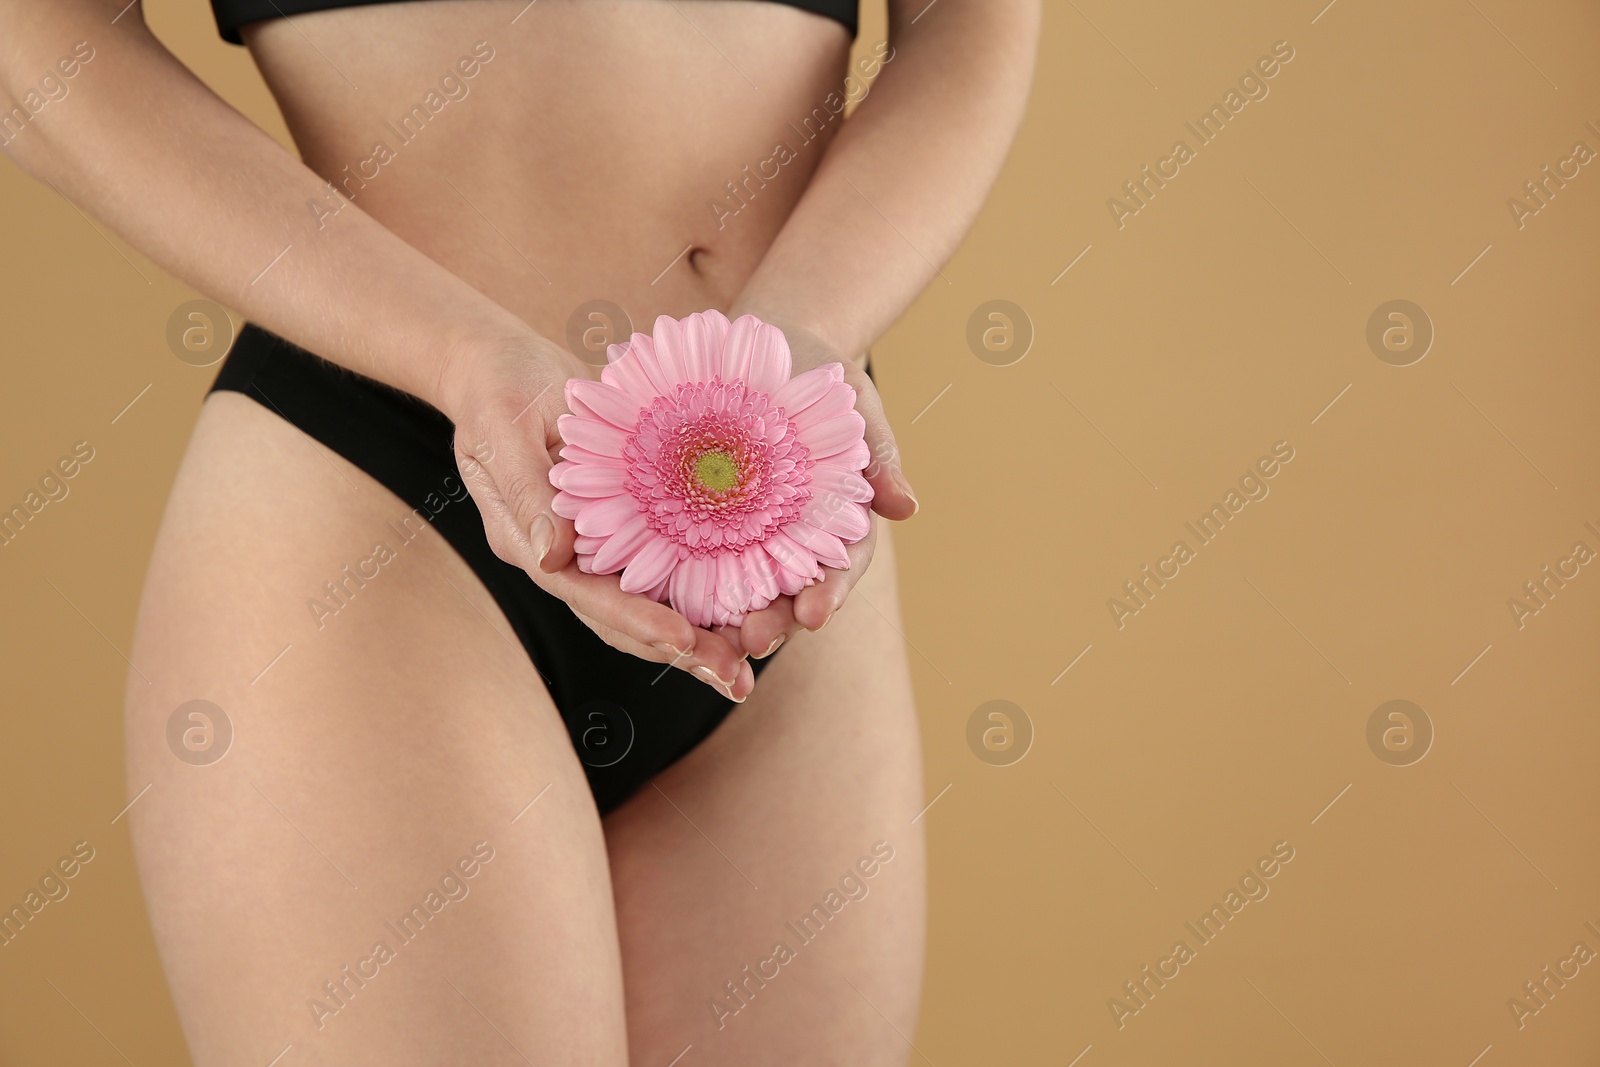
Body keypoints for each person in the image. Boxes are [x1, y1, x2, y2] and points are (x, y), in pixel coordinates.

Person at [0, 0, 1037, 1061]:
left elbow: (969, 26)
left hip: (779, 522)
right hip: (387, 512)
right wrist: (462, 355)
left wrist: (807, 332)